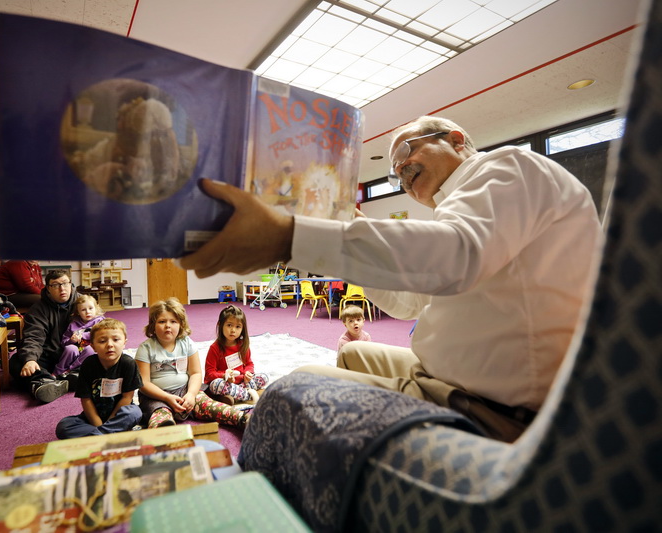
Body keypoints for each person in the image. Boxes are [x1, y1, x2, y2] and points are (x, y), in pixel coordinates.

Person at [178, 116, 602, 442]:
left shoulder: (509, 166)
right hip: (438, 375)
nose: (400, 171)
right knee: (352, 355)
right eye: (394, 173)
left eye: (408, 153)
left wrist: (291, 237)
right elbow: (406, 303)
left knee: (285, 392)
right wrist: (349, 248)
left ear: (455, 138)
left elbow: (457, 254)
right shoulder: (456, 212)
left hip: (490, 405)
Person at [134, 297, 252, 429]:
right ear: (153, 326)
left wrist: (190, 394)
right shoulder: (146, 349)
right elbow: (144, 383)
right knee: (160, 419)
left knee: (213, 406)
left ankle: (243, 419)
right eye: (162, 321)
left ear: (180, 325)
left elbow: (196, 373)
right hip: (156, 397)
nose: (168, 325)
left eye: (173, 321)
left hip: (185, 390)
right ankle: (168, 434)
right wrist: (167, 398)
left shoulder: (186, 342)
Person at [55, 318, 143, 439]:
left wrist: (109, 422)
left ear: (124, 343)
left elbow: (127, 397)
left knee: (135, 413)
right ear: (93, 346)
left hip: (119, 414)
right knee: (63, 427)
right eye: (102, 341)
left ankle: (99, 437)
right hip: (93, 416)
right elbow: (86, 399)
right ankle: (113, 434)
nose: (110, 345)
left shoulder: (129, 363)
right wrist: (100, 424)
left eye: (116, 340)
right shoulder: (88, 364)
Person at [8, 269, 78, 403]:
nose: (61, 288)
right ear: (48, 289)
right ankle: (45, 381)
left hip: (74, 354)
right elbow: (34, 336)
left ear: (71, 284)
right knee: (16, 361)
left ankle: (66, 377)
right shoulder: (38, 309)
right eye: (55, 285)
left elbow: (99, 326)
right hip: (49, 355)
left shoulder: (83, 303)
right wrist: (30, 359)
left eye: (65, 283)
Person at [204, 305, 268, 406]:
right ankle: (249, 395)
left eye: (237, 327)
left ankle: (238, 395)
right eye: (229, 325)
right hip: (226, 383)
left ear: (242, 329)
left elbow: (249, 364)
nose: (233, 330)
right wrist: (225, 375)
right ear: (220, 325)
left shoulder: (242, 345)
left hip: (242, 382)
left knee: (264, 377)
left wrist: (248, 373)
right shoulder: (215, 348)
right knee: (215, 385)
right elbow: (209, 374)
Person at [54, 294, 106, 383]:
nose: (87, 312)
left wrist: (83, 335)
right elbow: (64, 342)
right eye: (83, 310)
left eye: (90, 308)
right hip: (77, 350)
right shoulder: (73, 324)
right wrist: (71, 340)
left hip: (91, 351)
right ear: (78, 312)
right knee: (70, 348)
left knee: (90, 349)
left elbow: (102, 334)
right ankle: (57, 373)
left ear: (96, 309)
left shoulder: (100, 321)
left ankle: (70, 370)